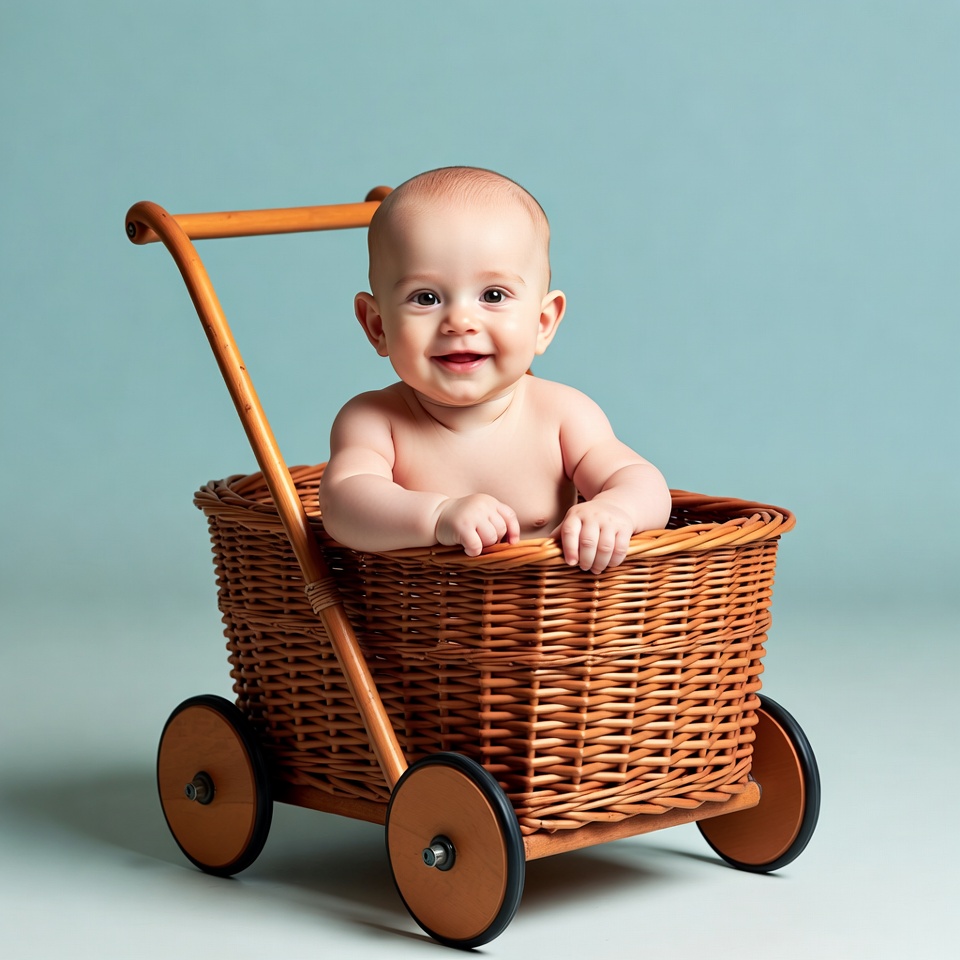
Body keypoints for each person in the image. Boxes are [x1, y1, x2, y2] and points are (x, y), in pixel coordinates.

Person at [319, 167, 671, 574]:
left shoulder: (562, 415)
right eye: (426, 297)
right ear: (377, 326)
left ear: (542, 324)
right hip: (415, 623)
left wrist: (616, 511)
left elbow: (641, 481)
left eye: (493, 295)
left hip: (552, 624)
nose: (460, 321)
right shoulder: (374, 421)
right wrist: (437, 515)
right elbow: (343, 503)